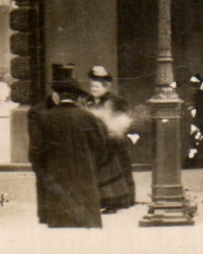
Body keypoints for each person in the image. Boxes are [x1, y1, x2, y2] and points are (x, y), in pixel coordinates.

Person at [28, 63, 107, 228]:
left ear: (57, 95)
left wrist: (42, 170)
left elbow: (36, 150)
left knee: (60, 224)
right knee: (85, 224)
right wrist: (91, 165)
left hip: (55, 175)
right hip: (85, 176)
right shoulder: (89, 117)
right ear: (77, 97)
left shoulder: (44, 117)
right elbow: (100, 147)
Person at [81, 65, 136, 213]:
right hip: (94, 142)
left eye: (97, 86)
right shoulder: (86, 101)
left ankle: (118, 201)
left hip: (113, 142)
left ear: (105, 86)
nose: (93, 89)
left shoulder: (115, 101)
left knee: (114, 169)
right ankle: (101, 200)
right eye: (92, 86)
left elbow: (122, 121)